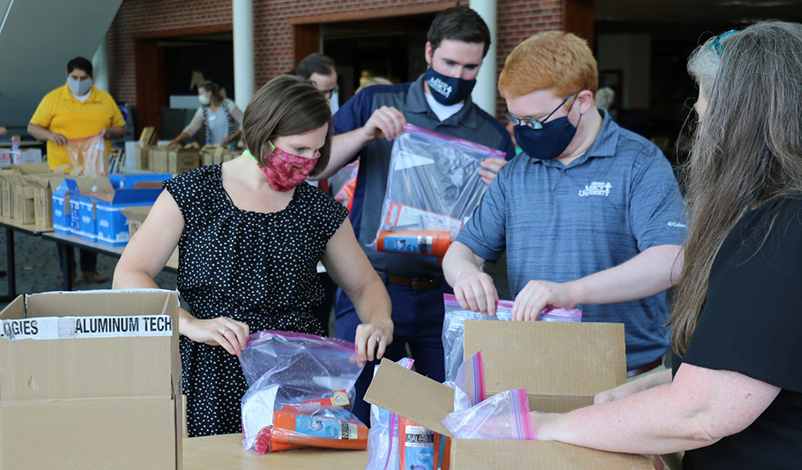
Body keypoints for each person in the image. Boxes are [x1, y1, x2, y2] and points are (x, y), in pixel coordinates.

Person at [528, 22, 802, 470]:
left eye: (706, 100)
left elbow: (702, 412)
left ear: (742, 115)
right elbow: (746, 364)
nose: (699, 114)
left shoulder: (782, 229)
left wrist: (545, 427)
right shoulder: (772, 216)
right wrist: (647, 387)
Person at [113, 75, 393, 437]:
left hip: (297, 374)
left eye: (316, 151)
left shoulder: (317, 209)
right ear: (262, 134)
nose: (308, 163)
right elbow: (129, 274)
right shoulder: (194, 191)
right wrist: (189, 323)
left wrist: (379, 320)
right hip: (213, 370)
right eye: (298, 149)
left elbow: (365, 283)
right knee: (213, 458)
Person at [443, 31, 687, 377]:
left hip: (624, 372)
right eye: (516, 120)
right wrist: (466, 274)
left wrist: (571, 293)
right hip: (532, 365)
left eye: (537, 121)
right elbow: (462, 250)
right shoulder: (515, 173)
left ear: (582, 100)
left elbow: (672, 260)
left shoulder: (640, 162)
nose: (524, 130)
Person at [313, 6, 515, 424]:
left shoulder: (492, 135)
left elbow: (503, 228)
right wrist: (365, 132)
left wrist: (505, 189)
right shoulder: (376, 102)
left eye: (470, 67)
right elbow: (317, 165)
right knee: (358, 413)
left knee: (445, 416)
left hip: (447, 296)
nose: (458, 75)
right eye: (449, 63)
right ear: (428, 53)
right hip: (372, 286)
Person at [28, 56, 125, 284]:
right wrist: (50, 135)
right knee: (64, 220)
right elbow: (33, 127)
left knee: (92, 217)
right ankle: (67, 270)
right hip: (63, 172)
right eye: (74, 77)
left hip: (95, 172)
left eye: (83, 78)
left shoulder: (104, 99)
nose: (79, 82)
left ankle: (89, 269)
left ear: (91, 78)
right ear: (67, 76)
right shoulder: (53, 99)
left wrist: (109, 133)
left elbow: (120, 128)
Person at [169, 81, 243, 148]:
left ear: (210, 93)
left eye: (201, 94)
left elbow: (245, 123)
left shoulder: (228, 105)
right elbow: (191, 128)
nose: (200, 97)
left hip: (231, 148)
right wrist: (177, 139)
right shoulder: (203, 110)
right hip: (213, 149)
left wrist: (231, 137)